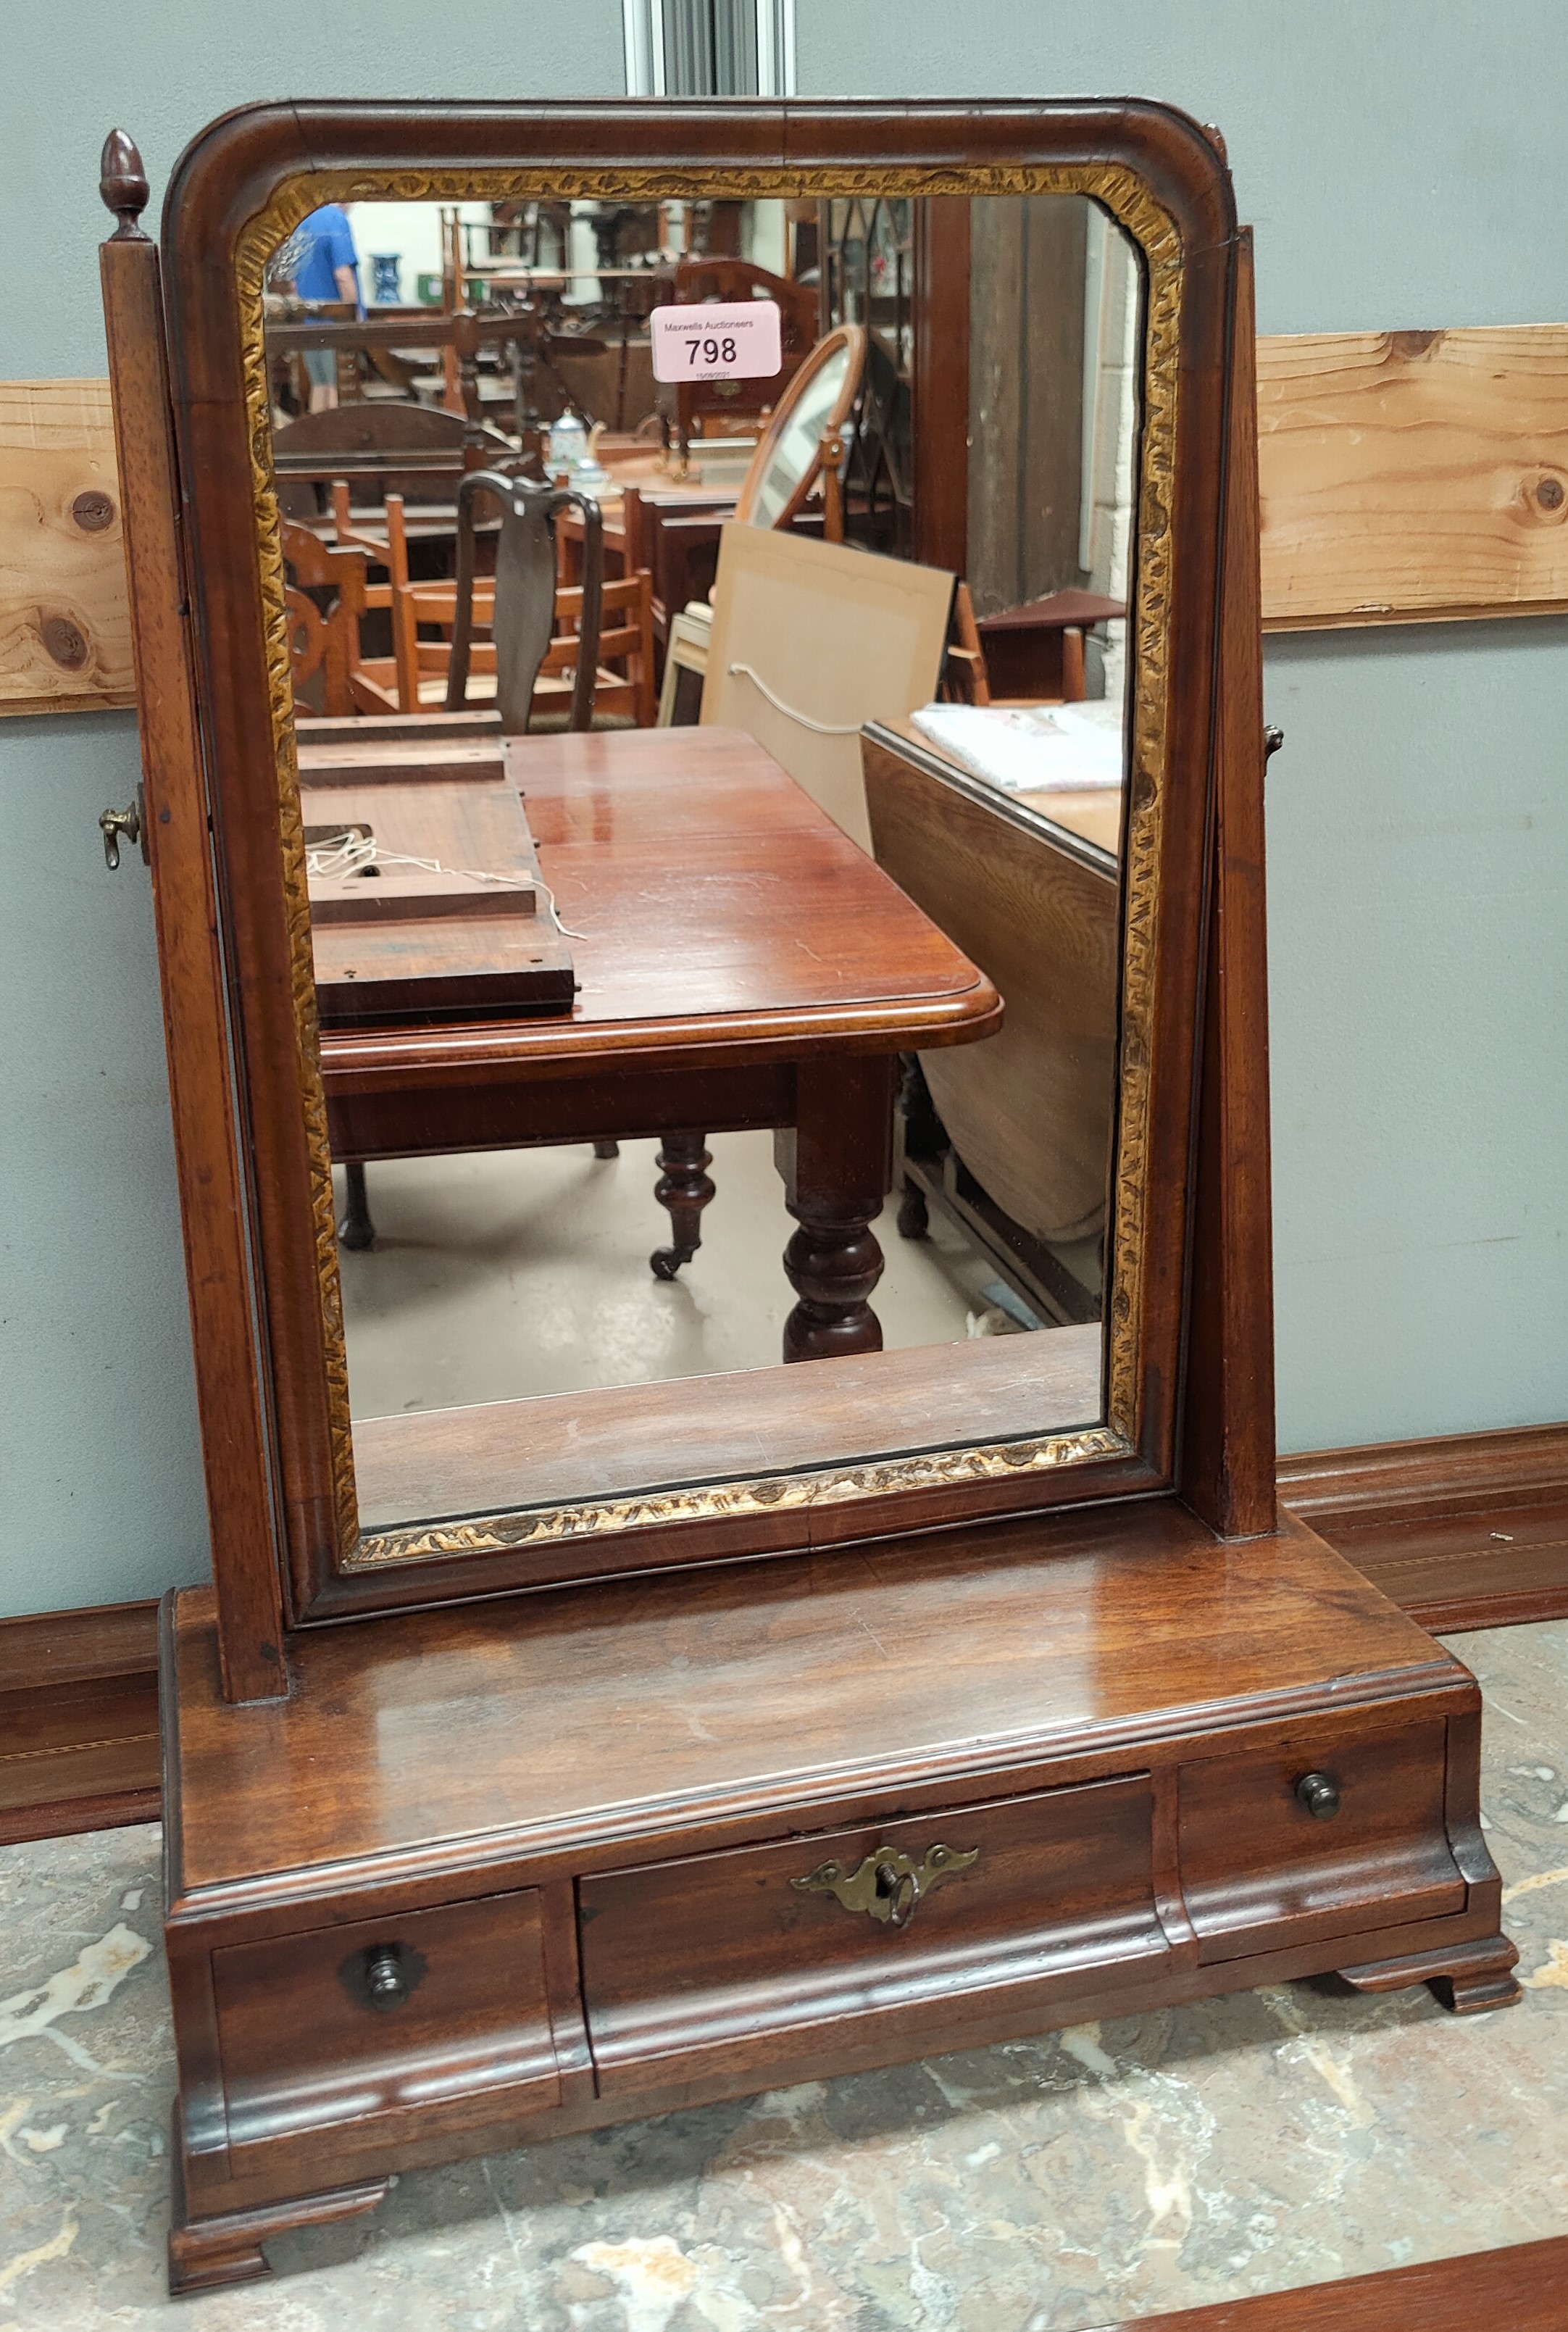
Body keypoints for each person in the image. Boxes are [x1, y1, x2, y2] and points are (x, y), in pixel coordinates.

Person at [275, 204, 362, 410]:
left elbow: (292, 281)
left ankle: (318, 441)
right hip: (334, 323)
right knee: (335, 388)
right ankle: (336, 441)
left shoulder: (302, 219)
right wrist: (354, 317)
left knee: (319, 385)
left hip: (308, 324)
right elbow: (342, 275)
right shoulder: (335, 220)